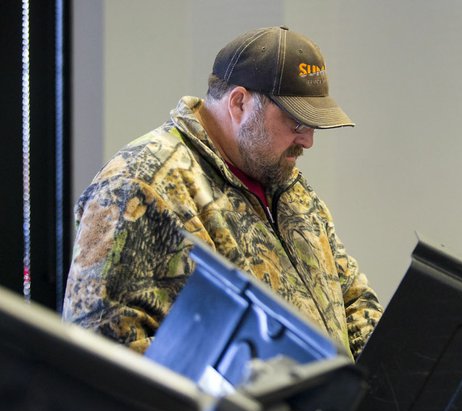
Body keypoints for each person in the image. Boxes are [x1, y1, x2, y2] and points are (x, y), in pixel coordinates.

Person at [62, 26, 383, 362]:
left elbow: (352, 299)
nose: (307, 141)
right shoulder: (139, 186)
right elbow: (101, 356)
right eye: (295, 122)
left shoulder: (286, 183)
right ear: (239, 103)